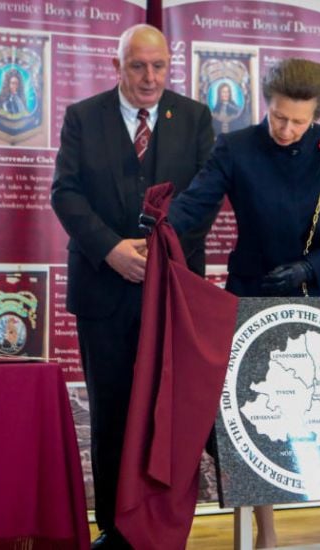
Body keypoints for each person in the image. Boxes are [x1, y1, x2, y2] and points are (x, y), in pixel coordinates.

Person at [169, 57, 320, 548]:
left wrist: (312, 267)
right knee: (254, 418)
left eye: (298, 122)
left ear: (317, 116)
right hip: (252, 290)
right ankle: (265, 534)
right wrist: (157, 230)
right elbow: (194, 205)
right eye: (278, 116)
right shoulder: (236, 147)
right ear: (267, 104)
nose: (286, 129)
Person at [51, 23, 215, 549]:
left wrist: (161, 253)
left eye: (159, 66)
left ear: (171, 65)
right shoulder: (83, 117)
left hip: (171, 291)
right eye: (138, 66)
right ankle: (115, 528)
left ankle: (162, 523)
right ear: (117, 66)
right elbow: (66, 194)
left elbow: (205, 198)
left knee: (167, 410)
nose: (150, 77)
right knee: (113, 408)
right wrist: (112, 250)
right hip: (104, 289)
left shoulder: (193, 118)